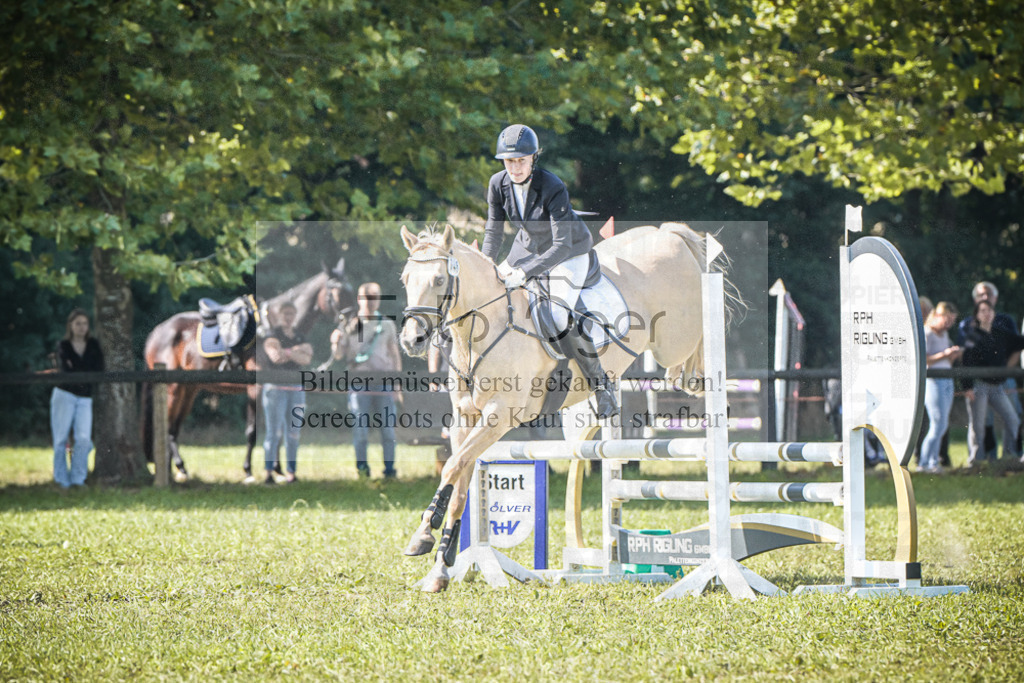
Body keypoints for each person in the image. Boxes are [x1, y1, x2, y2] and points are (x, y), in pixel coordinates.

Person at [482, 123, 618, 419]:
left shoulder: (552, 185)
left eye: (521, 160)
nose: (514, 167)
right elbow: (493, 232)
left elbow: (560, 245)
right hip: (526, 248)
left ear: (534, 158)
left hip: (568, 252)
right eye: (509, 161)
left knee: (558, 314)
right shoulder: (497, 184)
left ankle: (601, 387)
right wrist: (485, 265)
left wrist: (524, 273)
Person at [331, 282, 402, 478]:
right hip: (358, 383)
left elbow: (395, 356)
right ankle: (362, 470)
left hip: (384, 383)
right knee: (360, 429)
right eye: (367, 297)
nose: (371, 302)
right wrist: (335, 342)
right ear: (359, 299)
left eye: (375, 297)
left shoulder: (387, 324)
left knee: (388, 430)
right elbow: (338, 356)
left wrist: (397, 385)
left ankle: (390, 470)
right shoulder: (349, 324)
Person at [958, 281, 1023, 460]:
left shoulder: (1001, 332)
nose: (987, 314)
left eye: (989, 310)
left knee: (1013, 420)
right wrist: (967, 387)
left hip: (997, 386)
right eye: (983, 311)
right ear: (977, 315)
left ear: (994, 312)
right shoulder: (972, 335)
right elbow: (966, 361)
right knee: (978, 427)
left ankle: (1009, 457)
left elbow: (1019, 342)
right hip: (979, 386)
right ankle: (976, 462)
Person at [50, 308, 104, 489]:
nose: (81, 327)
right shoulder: (63, 345)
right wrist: (82, 369)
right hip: (64, 395)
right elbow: (66, 370)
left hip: (85, 397)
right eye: (78, 323)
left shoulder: (94, 345)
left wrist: (78, 367)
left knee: (83, 438)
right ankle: (61, 479)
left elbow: (98, 368)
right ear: (71, 326)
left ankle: (78, 478)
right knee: (60, 438)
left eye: (84, 323)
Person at [261, 302, 312, 484]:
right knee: (273, 432)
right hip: (276, 389)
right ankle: (268, 472)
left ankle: (291, 471)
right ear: (280, 315)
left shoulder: (299, 336)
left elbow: (307, 357)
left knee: (293, 433)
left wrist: (286, 352)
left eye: (292, 314)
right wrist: (295, 352)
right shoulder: (272, 335)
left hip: (296, 389)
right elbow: (275, 356)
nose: (288, 317)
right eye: (285, 314)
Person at [920, 302, 962, 473]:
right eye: (947, 320)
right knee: (937, 423)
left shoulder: (944, 335)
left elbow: (947, 361)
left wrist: (952, 355)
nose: (948, 324)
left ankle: (933, 461)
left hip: (947, 380)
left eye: (952, 321)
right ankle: (924, 462)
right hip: (933, 382)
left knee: (942, 424)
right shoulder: (927, 333)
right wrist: (944, 354)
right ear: (937, 316)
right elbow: (925, 360)